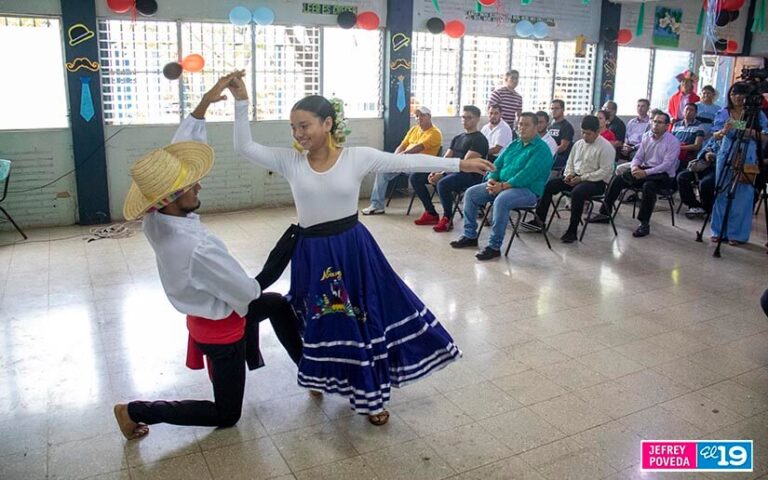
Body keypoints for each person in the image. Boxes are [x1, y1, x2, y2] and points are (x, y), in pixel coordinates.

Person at [227, 74, 493, 425]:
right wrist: (242, 100)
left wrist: (459, 164)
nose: (299, 134)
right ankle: (321, 373)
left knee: (361, 317)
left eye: (304, 125)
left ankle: (371, 397)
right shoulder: (291, 162)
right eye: (293, 128)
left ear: (327, 123)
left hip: (352, 250)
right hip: (311, 253)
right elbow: (245, 147)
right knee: (320, 316)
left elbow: (408, 163)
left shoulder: (357, 158)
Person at [113, 75, 304, 439]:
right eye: (189, 185)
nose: (198, 184)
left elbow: (179, 149)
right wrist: (281, 256)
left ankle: (307, 368)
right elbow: (247, 295)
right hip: (221, 331)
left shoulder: (157, 219)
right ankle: (134, 410)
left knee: (277, 304)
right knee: (226, 414)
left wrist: (204, 103)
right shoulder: (198, 249)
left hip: (206, 311)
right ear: (169, 198)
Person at [450, 112, 553, 260]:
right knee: (471, 193)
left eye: (526, 125)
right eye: (520, 124)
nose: (521, 128)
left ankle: (494, 246)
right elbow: (496, 164)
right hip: (501, 185)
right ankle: (470, 235)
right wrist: (492, 179)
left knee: (502, 200)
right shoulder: (514, 144)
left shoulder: (542, 150)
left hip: (527, 191)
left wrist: (503, 186)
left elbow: (526, 175)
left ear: (536, 127)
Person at [589, 112, 680, 238]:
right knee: (618, 179)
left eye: (659, 122)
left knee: (649, 186)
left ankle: (644, 223)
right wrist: (634, 167)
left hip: (663, 176)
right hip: (645, 169)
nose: (655, 124)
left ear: (667, 126)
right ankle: (605, 213)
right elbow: (638, 157)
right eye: (654, 121)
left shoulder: (673, 141)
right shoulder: (647, 136)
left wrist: (645, 173)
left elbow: (667, 165)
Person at [531, 115, 615, 243]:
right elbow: (570, 162)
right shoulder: (579, 144)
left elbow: (604, 172)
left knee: (577, 193)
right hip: (577, 177)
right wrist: (568, 174)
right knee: (550, 185)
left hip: (596, 182)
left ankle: (572, 230)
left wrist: (582, 178)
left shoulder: (606, 147)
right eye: (582, 132)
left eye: (588, 134)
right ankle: (539, 220)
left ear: (597, 132)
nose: (585, 136)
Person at [412, 105, 490, 232]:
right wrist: (437, 171)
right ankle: (431, 213)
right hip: (452, 172)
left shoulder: (479, 140)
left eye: (469, 117)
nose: (465, 120)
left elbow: (465, 164)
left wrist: (442, 174)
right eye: (463, 117)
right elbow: (446, 158)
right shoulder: (458, 138)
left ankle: (448, 218)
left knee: (443, 183)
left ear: (477, 119)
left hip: (470, 175)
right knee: (416, 177)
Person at [710, 81, 768, 245]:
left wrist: (747, 130)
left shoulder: (757, 114)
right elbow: (715, 135)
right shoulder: (723, 112)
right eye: (735, 93)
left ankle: (737, 234)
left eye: (742, 93)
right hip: (726, 153)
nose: (738, 97)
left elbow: (765, 135)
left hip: (748, 154)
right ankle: (718, 231)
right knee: (721, 191)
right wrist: (723, 131)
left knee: (743, 194)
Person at [361, 106, 442, 215]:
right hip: (406, 163)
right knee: (381, 170)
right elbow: (403, 145)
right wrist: (395, 157)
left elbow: (419, 147)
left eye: (422, 115)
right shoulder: (414, 129)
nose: (419, 118)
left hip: (421, 166)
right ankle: (377, 206)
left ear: (429, 116)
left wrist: (401, 156)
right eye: (417, 116)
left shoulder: (435, 133)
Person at [677, 136, 719, 217]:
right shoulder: (715, 137)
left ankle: (707, 209)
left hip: (718, 169)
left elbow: (726, 157)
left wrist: (715, 156)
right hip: (704, 166)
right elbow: (702, 151)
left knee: (705, 183)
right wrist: (705, 154)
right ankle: (694, 205)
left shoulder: (733, 138)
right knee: (682, 177)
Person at [671, 103, 705, 168]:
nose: (688, 112)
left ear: (696, 113)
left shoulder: (699, 125)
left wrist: (680, 147)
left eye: (692, 110)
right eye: (687, 109)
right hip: (674, 155)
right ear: (683, 111)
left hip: (689, 157)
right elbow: (671, 141)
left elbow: (697, 146)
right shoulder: (676, 125)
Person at [548, 99, 574, 169]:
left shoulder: (566, 126)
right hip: (549, 154)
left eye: (556, 108)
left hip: (560, 157)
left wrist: (548, 153)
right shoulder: (549, 125)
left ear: (562, 109)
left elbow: (563, 147)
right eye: (552, 108)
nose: (553, 111)